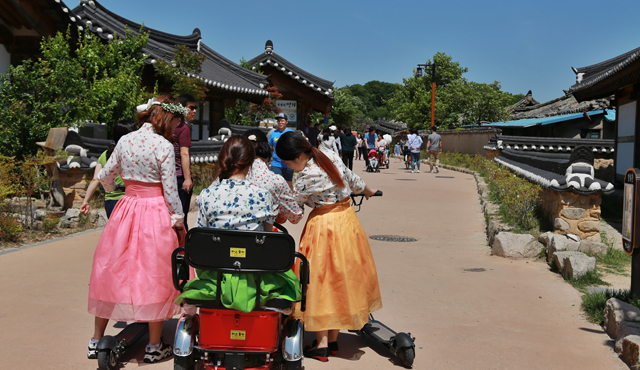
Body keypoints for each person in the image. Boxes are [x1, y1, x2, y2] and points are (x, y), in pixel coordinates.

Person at [87, 95, 187, 363]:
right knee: (153, 273)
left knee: (112, 269)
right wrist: (178, 218)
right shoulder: (163, 146)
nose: (177, 128)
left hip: (126, 208)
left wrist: (115, 190)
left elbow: (105, 174)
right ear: (166, 118)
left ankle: (96, 340)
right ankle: (154, 347)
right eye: (177, 122)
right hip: (154, 211)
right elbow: (170, 190)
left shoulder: (125, 140)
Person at [275, 132, 382, 362]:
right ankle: (333, 340)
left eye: (288, 162)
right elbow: (353, 180)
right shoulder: (330, 155)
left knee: (319, 280)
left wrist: (278, 214)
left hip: (323, 227)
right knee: (342, 278)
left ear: (299, 156)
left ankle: (321, 344)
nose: (288, 166)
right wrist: (368, 190)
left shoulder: (304, 176)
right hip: (347, 222)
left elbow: (294, 214)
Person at [175, 135, 301, 312]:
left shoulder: (207, 195)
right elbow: (267, 237)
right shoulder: (262, 195)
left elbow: (200, 236)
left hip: (216, 274)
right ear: (251, 163)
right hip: (254, 275)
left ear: (223, 160)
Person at [208, 129, 304, 225]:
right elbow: (295, 217)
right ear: (266, 149)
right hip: (260, 237)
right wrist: (301, 198)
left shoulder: (225, 178)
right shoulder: (276, 181)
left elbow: (202, 201)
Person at [80, 120, 138, 218]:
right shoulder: (136, 153)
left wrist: (86, 201)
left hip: (111, 202)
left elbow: (95, 179)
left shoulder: (104, 155)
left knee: (116, 232)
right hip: (131, 200)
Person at [176, 94, 197, 230]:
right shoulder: (183, 128)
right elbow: (184, 153)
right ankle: (183, 248)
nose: (194, 111)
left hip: (164, 176)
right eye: (191, 108)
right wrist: (187, 178)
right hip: (179, 177)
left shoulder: (165, 125)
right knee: (181, 215)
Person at [269, 112, 294, 186]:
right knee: (275, 184)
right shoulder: (273, 133)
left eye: (282, 120)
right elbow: (270, 146)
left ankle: (290, 197)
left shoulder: (291, 133)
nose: (280, 122)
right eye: (279, 121)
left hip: (288, 164)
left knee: (288, 184)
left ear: (286, 122)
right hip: (275, 163)